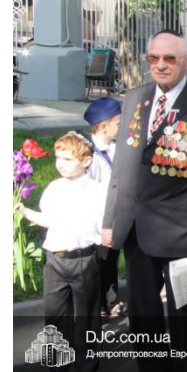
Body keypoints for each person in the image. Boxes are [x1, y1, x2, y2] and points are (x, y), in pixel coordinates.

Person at [101, 29, 187, 372]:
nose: (160, 65)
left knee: (185, 318)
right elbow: (122, 168)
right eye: (153, 58)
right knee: (143, 316)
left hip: (185, 235)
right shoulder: (135, 98)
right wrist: (111, 220)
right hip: (136, 229)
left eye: (169, 58)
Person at [17, 133, 106, 372]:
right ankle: (56, 368)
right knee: (56, 316)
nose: (61, 163)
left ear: (87, 161)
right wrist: (25, 212)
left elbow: (101, 229)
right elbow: (49, 220)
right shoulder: (55, 188)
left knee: (86, 316)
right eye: (58, 157)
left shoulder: (96, 191)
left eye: (68, 158)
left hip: (82, 259)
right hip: (54, 259)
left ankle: (86, 369)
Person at [82, 97, 124, 319]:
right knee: (98, 260)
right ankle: (97, 303)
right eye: (119, 122)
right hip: (97, 217)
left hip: (114, 215)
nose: (122, 126)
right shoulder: (89, 154)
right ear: (103, 126)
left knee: (110, 259)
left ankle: (110, 299)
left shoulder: (115, 148)